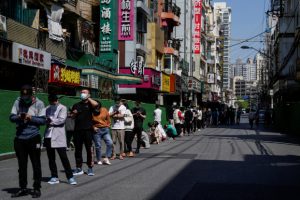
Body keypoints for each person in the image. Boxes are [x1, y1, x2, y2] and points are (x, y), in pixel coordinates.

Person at [9, 84, 46, 198]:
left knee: (36, 163)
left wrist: (31, 118)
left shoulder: (39, 103)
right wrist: (20, 116)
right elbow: (11, 117)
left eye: (27, 95)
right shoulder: (17, 102)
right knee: (22, 165)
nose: (25, 97)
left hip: (33, 137)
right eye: (23, 95)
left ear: (31, 94)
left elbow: (43, 120)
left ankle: (36, 188)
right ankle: (23, 188)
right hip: (20, 138)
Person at [44, 94, 77, 185]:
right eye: (51, 101)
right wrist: (47, 120)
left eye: (54, 101)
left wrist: (50, 121)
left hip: (58, 136)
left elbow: (61, 120)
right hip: (48, 135)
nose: (53, 103)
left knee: (63, 157)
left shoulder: (63, 108)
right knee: (51, 158)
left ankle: (70, 177)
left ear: (57, 100)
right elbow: (44, 119)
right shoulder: (47, 108)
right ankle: (54, 176)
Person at [71, 89, 98, 176]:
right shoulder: (76, 105)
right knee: (78, 150)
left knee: (89, 149)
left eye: (84, 93)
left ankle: (90, 168)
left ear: (88, 94)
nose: (82, 94)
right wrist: (74, 113)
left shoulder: (90, 104)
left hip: (88, 130)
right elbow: (72, 117)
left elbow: (96, 105)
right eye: (81, 92)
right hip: (77, 130)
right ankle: (79, 168)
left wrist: (88, 98)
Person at [92, 101, 112, 165]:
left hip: (105, 129)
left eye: (97, 107)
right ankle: (98, 159)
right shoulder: (91, 111)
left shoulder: (104, 110)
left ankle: (106, 158)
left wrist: (108, 125)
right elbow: (88, 121)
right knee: (98, 146)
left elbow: (108, 118)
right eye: (95, 107)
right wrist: (93, 127)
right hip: (97, 130)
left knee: (110, 143)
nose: (96, 108)